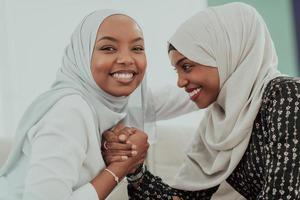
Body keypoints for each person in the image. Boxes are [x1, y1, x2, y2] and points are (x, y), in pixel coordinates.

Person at [103, 2, 300, 199]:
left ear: (225, 53)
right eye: (177, 71)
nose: (180, 82)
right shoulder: (218, 122)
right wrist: (135, 169)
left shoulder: (286, 95)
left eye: (187, 66)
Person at [0, 9, 196, 200]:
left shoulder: (124, 102)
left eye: (137, 48)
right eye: (108, 48)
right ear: (82, 57)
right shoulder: (69, 112)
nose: (127, 59)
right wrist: (121, 167)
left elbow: (196, 91)